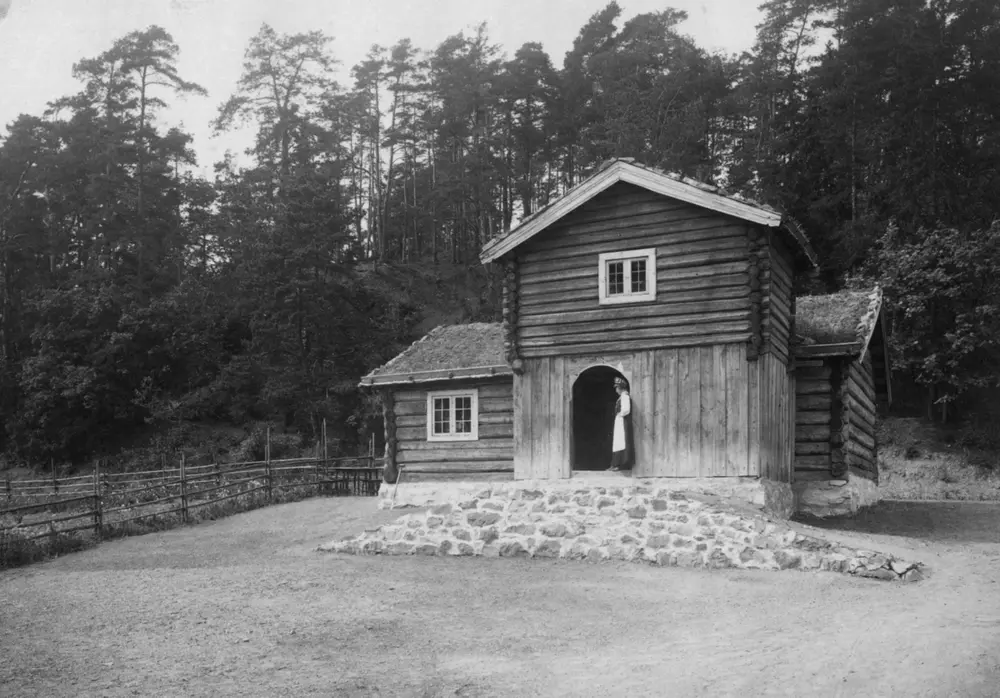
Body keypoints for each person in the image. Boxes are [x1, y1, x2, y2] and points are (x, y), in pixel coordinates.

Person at [608, 376, 634, 472]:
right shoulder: (622, 397)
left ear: (620, 388)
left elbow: (626, 409)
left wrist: (620, 414)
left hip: (623, 421)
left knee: (621, 441)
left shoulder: (625, 396)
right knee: (618, 442)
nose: (616, 390)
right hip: (619, 421)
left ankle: (620, 464)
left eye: (617, 388)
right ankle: (615, 463)